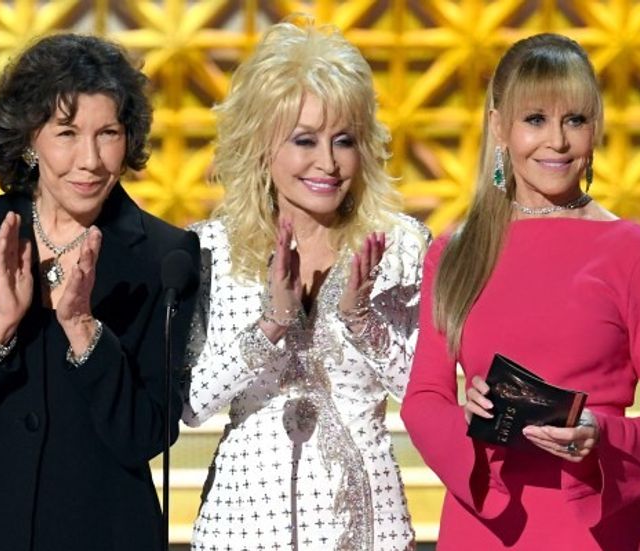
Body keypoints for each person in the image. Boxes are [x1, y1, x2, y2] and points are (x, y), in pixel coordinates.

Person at [0, 33, 198, 550]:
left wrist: (85, 333)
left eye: (108, 133)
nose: (90, 160)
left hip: (101, 528)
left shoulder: (166, 255)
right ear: (29, 139)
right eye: (66, 133)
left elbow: (145, 434)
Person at [400, 33, 640, 550]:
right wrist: (467, 423)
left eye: (575, 120)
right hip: (483, 523)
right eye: (535, 119)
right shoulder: (455, 251)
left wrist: (600, 436)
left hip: (592, 528)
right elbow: (424, 399)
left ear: (595, 129)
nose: (557, 142)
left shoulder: (635, 255)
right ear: (499, 127)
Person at [181, 19, 431, 551]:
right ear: (260, 145)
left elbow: (424, 394)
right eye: (304, 140)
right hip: (243, 522)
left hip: (370, 526)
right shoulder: (211, 250)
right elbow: (188, 404)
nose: (328, 162)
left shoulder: (401, 247)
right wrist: (269, 323)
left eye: (344, 140)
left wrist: (363, 322)